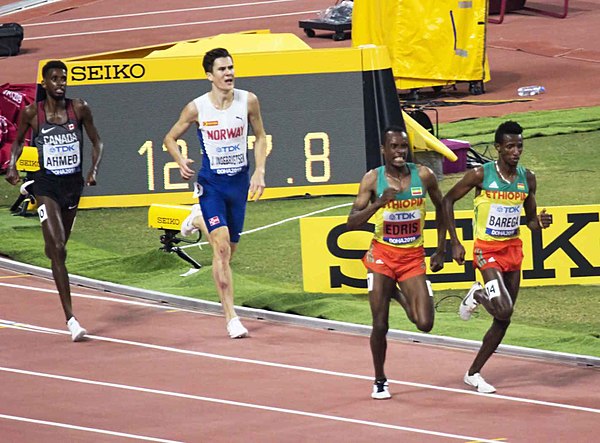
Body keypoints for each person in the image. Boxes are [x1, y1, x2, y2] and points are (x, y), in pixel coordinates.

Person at [164, 48, 267, 339]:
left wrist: (259, 170)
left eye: (231, 68)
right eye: (222, 69)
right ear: (210, 75)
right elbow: (170, 138)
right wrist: (180, 160)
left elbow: (260, 136)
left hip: (239, 184)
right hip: (211, 185)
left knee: (229, 252)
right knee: (220, 248)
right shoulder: (196, 108)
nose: (229, 73)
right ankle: (231, 317)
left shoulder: (248, 101)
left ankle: (197, 220)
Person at [442, 120, 552, 393]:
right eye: (510, 146)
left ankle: (473, 373)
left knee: (503, 319)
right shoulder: (480, 175)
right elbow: (447, 201)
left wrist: (541, 222)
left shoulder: (529, 178)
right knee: (504, 308)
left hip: (513, 250)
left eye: (520, 146)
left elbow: (529, 221)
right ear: (498, 148)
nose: (516, 151)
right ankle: (478, 295)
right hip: (486, 251)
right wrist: (453, 242)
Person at [5, 60, 103, 342]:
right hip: (46, 185)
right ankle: (71, 319)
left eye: (64, 78)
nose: (61, 83)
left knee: (57, 250)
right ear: (44, 83)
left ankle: (54, 255)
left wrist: (93, 170)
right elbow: (18, 141)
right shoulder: (32, 113)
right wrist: (12, 165)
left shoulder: (80, 108)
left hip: (72, 187)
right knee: (58, 249)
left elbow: (97, 142)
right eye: (55, 79)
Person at [347, 126, 446, 399]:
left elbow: (442, 206)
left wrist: (443, 247)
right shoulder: (372, 179)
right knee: (380, 324)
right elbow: (351, 222)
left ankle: (395, 293)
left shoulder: (423, 175)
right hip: (382, 257)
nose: (400, 152)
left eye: (404, 147)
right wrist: (379, 203)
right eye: (394, 147)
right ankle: (380, 379)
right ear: (384, 150)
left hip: (413, 258)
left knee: (424, 323)